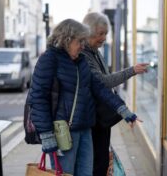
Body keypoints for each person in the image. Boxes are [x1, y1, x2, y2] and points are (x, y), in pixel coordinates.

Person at [28, 19, 140, 176]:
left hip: (85, 129)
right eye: (79, 41)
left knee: (87, 172)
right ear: (66, 39)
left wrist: (123, 111)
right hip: (63, 133)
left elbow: (100, 88)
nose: (82, 45)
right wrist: (46, 135)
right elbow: (38, 98)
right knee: (65, 173)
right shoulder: (49, 59)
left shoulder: (81, 61)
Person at [82, 12, 148, 176]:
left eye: (106, 34)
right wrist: (131, 70)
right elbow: (104, 82)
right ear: (89, 32)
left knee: (102, 159)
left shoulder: (95, 51)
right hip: (93, 118)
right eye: (100, 34)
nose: (104, 38)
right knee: (98, 162)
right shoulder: (84, 55)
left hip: (100, 118)